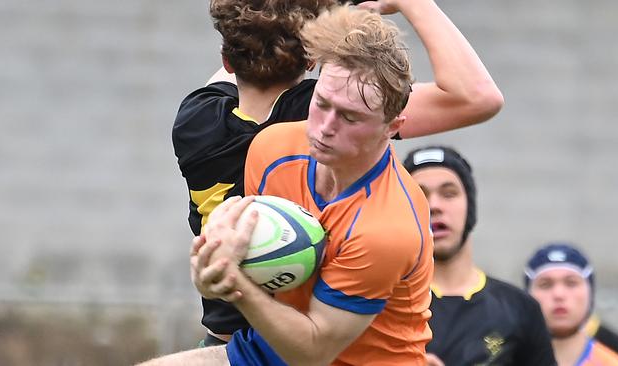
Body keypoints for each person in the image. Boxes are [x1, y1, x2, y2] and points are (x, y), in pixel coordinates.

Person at [172, 0, 504, 346]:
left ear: (227, 59)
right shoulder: (322, 117)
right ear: (314, 60)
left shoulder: (196, 119)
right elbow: (477, 97)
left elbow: (244, 42)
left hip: (220, 339)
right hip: (288, 341)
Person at [140, 4, 436, 365]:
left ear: (393, 127)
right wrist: (215, 262)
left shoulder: (386, 228)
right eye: (321, 104)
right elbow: (253, 258)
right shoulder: (272, 147)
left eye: (349, 116)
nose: (324, 127)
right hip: (269, 349)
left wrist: (233, 283)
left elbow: (314, 351)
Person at [404, 145, 556, 366]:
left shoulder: (520, 308)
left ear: (470, 206)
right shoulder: (379, 302)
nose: (434, 206)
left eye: (449, 193)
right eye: (420, 195)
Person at [524, 243, 618, 365]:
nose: (559, 294)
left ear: (590, 294)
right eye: (545, 284)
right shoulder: (504, 358)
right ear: (526, 295)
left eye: (571, 283)